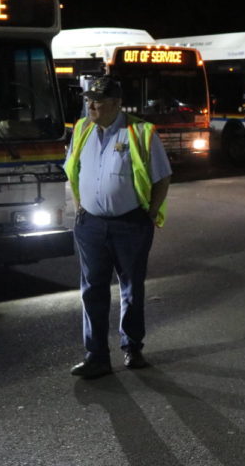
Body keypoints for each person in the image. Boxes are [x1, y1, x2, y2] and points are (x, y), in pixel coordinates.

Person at [63, 76, 172, 379]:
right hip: (91, 225)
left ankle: (132, 346)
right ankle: (96, 355)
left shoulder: (141, 132)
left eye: (97, 100)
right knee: (92, 290)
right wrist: (80, 208)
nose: (91, 105)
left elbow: (162, 178)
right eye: (88, 100)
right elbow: (73, 169)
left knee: (131, 289)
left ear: (115, 103)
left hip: (130, 224)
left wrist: (148, 215)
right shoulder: (82, 129)